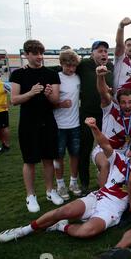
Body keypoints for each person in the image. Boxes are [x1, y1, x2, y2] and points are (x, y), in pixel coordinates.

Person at [0, 120, 131, 243]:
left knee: (87, 232)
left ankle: (61, 226)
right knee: (62, 212)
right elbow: (105, 144)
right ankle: (23, 230)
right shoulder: (120, 160)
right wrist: (94, 128)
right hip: (98, 197)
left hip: (113, 208)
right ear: (130, 152)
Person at [9, 39, 64, 212]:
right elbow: (14, 100)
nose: (39, 56)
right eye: (35, 53)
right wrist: (31, 93)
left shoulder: (51, 73)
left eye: (41, 53)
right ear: (26, 55)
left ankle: (50, 191)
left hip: (48, 122)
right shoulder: (18, 74)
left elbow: (55, 100)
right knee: (30, 161)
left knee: (49, 159)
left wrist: (49, 95)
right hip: (28, 124)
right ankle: (30, 196)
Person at [95, 65, 131, 187]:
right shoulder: (110, 108)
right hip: (103, 150)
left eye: (130, 102)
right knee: (106, 164)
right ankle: (102, 197)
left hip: (123, 153)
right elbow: (103, 93)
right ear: (118, 103)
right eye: (123, 102)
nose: (127, 106)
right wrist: (101, 76)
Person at [76, 40, 114, 195]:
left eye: (105, 51)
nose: (103, 53)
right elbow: (63, 67)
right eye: (100, 51)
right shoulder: (83, 65)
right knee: (84, 149)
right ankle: (84, 183)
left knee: (109, 148)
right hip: (87, 114)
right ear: (92, 53)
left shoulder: (111, 67)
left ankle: (108, 178)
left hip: (106, 115)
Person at [52, 49, 82, 200]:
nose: (71, 69)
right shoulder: (55, 78)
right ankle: (60, 184)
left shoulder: (78, 77)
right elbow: (47, 103)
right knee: (58, 156)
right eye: (68, 65)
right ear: (61, 63)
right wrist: (60, 104)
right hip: (58, 125)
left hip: (75, 124)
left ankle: (73, 182)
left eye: (73, 66)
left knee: (75, 154)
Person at [113, 17, 131, 101]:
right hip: (120, 103)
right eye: (129, 45)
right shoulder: (121, 59)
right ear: (124, 47)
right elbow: (119, 44)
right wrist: (121, 26)